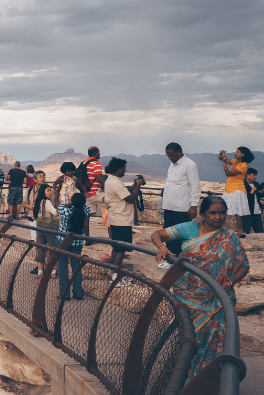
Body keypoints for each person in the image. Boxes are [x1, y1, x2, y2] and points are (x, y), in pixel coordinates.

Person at [151, 196, 249, 380]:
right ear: (203, 214)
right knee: (189, 341)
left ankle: (210, 381)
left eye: (222, 212)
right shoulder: (189, 228)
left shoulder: (230, 237)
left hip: (218, 301)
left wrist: (228, 283)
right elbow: (157, 234)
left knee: (217, 341)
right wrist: (161, 247)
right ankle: (183, 381)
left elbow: (244, 265)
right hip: (189, 298)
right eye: (213, 212)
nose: (218, 216)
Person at [103, 157, 145, 287]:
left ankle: (113, 274)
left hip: (115, 218)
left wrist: (133, 186)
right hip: (122, 219)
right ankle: (116, 278)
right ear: (119, 169)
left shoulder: (111, 180)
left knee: (116, 247)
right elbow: (131, 199)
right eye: (124, 168)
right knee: (120, 249)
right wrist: (137, 186)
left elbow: (123, 194)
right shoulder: (116, 183)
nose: (125, 171)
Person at [159, 142, 201, 268]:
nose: (169, 158)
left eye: (171, 155)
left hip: (182, 208)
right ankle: (171, 260)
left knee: (181, 235)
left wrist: (194, 205)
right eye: (168, 156)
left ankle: (182, 262)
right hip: (169, 206)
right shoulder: (172, 165)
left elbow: (195, 187)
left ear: (179, 152)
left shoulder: (190, 165)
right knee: (168, 234)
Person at [55, 193, 90, 300]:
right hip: (77, 242)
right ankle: (78, 292)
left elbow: (57, 203)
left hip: (62, 241)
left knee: (62, 267)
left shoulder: (64, 210)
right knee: (76, 267)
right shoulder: (86, 210)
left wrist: (68, 203)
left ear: (72, 201)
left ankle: (64, 293)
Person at [220, 147, 255, 237]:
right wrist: (221, 155)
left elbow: (228, 173)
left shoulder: (244, 165)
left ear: (243, 154)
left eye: (237, 152)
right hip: (230, 188)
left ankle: (240, 231)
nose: (235, 153)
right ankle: (236, 230)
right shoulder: (235, 162)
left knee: (238, 210)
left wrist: (224, 162)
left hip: (237, 189)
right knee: (229, 209)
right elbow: (222, 159)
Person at [30, 184, 57, 275]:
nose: (50, 192)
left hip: (40, 227)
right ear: (43, 192)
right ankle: (53, 271)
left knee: (41, 249)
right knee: (52, 248)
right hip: (49, 228)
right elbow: (54, 212)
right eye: (48, 190)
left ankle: (40, 271)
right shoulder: (47, 202)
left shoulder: (37, 202)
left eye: (50, 190)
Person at [23, 170, 46, 241]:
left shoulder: (48, 190)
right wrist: (32, 207)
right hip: (33, 218)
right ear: (35, 180)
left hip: (45, 219)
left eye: (43, 176)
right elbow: (24, 203)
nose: (43, 178)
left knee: (45, 240)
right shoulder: (29, 190)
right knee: (35, 238)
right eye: (40, 177)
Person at [242, 168, 264, 234]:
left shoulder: (256, 184)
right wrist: (251, 192)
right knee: (246, 231)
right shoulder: (242, 185)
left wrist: (262, 192)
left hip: (257, 212)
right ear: (247, 175)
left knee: (260, 231)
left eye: (255, 175)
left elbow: (259, 196)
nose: (255, 177)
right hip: (247, 212)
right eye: (253, 175)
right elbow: (242, 197)